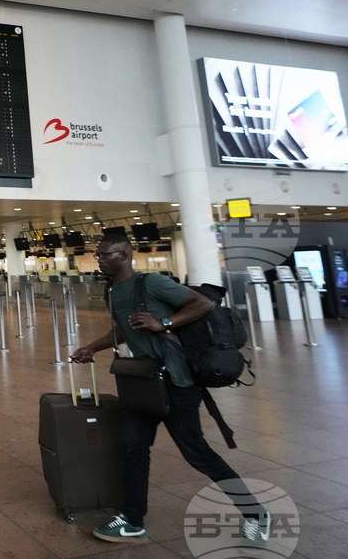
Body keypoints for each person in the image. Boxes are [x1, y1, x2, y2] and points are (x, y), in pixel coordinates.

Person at [72, 233, 270, 547]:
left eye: (104, 254)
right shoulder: (112, 292)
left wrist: (163, 321)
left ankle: (256, 513)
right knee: (134, 448)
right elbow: (123, 329)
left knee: (198, 454)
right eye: (98, 255)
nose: (99, 260)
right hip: (144, 383)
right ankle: (133, 520)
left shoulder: (151, 283)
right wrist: (92, 348)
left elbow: (203, 303)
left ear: (124, 254)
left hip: (176, 383)